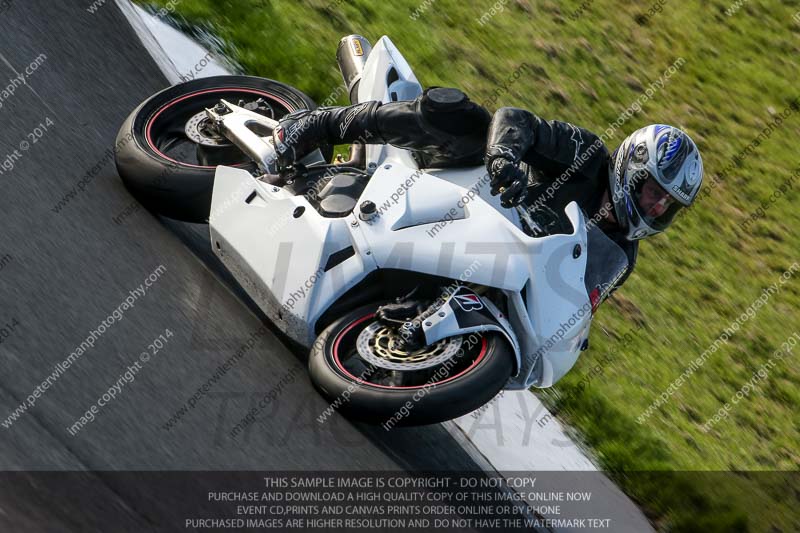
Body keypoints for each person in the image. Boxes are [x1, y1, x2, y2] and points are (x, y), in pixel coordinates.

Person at [271, 87, 704, 290]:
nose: (657, 205)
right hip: (471, 192)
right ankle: (317, 124)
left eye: (669, 205)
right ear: (634, 168)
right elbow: (520, 119)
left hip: (489, 266)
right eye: (655, 191)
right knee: (460, 116)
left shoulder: (622, 256)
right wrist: (504, 158)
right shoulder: (588, 155)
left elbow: (574, 306)